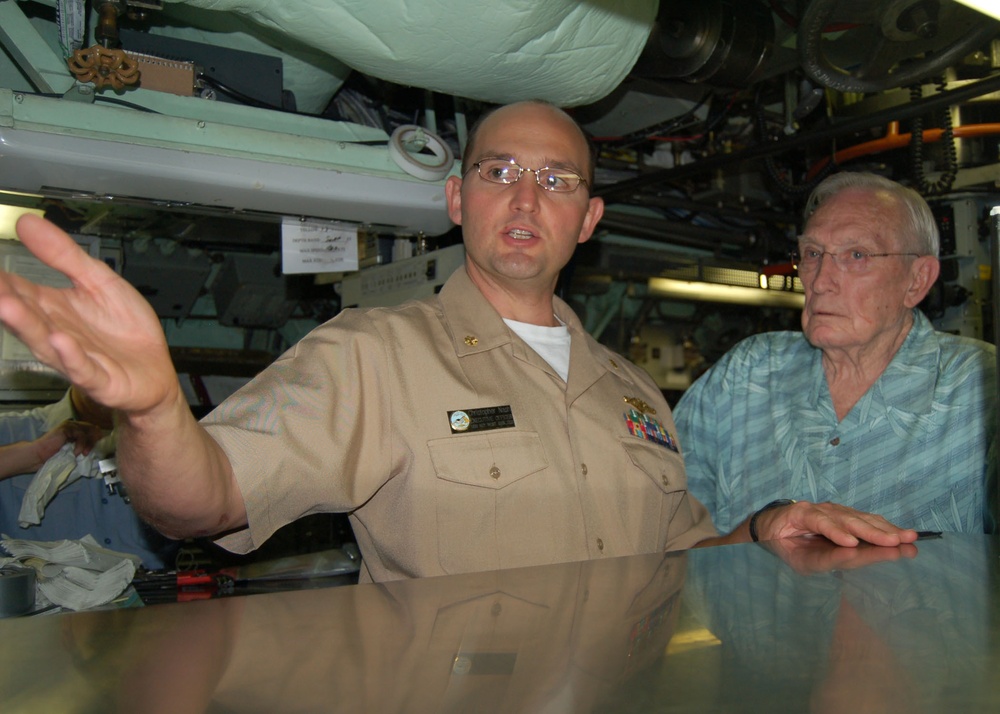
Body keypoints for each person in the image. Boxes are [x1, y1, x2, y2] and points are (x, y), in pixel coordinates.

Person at [0, 102, 918, 584]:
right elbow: (200, 502)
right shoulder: (371, 352)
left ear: (588, 219)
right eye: (498, 173)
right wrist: (157, 412)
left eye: (556, 180)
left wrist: (758, 531)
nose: (526, 200)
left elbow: (672, 561)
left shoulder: (633, 393)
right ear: (457, 198)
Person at [674, 171, 997, 535]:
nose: (820, 280)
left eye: (856, 255)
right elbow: (665, 529)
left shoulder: (982, 387)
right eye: (812, 253)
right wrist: (754, 531)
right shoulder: (748, 372)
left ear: (917, 279)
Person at [0, 386, 179, 569]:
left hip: (155, 591)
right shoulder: (8, 432)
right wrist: (31, 455)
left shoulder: (174, 441)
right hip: (37, 594)